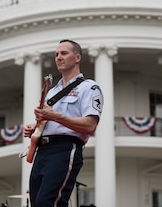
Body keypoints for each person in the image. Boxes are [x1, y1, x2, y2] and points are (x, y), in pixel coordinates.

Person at [23, 39, 103, 207]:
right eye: (56, 54)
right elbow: (49, 120)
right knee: (36, 202)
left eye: (64, 53)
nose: (58, 57)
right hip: (43, 150)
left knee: (49, 202)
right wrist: (35, 128)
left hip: (65, 148)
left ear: (77, 57)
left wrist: (54, 116)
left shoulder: (89, 87)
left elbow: (90, 125)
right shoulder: (52, 91)